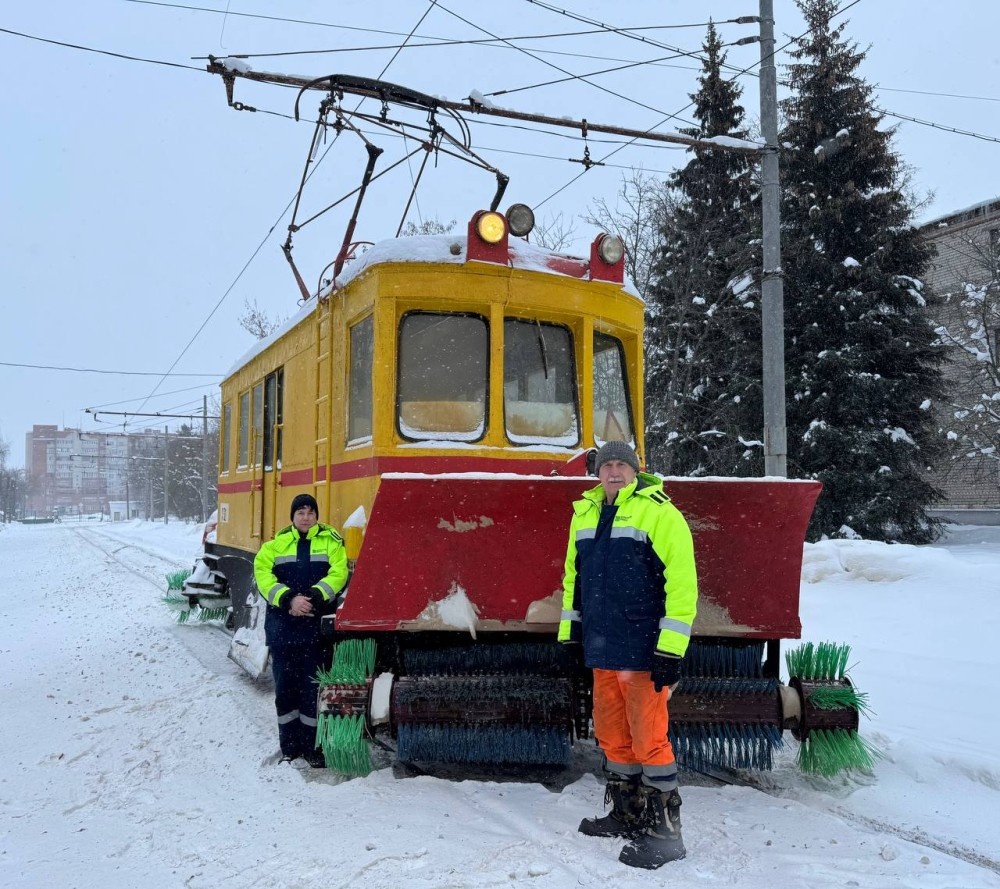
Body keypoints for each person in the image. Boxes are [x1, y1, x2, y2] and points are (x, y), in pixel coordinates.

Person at [559, 440, 698, 869]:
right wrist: (571, 634)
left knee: (649, 738)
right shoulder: (585, 513)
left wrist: (670, 651)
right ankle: (627, 813)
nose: (614, 471)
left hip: (642, 650)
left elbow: (682, 584)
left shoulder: (660, 512)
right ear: (597, 472)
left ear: (635, 470)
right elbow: (573, 578)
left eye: (622, 465)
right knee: (613, 735)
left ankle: (666, 834)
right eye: (607, 465)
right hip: (602, 648)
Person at [253, 493, 348, 767]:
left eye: (310, 512)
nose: (306, 517)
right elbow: (262, 575)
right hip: (283, 629)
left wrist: (313, 598)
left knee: (312, 691)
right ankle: (290, 748)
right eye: (300, 513)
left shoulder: (332, 542)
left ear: (316, 515)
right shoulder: (275, 545)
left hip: (315, 631)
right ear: (292, 517)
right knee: (285, 691)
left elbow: (338, 574)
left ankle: (313, 749)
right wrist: (289, 599)